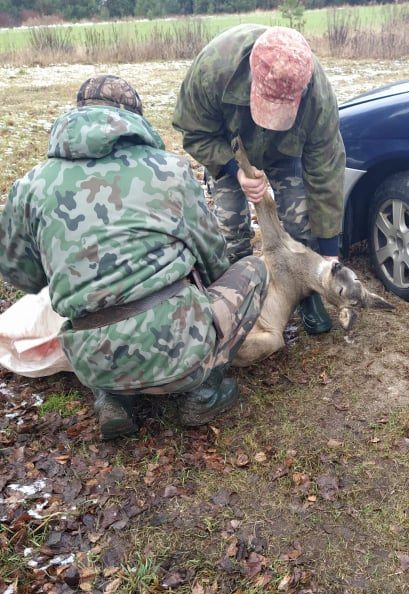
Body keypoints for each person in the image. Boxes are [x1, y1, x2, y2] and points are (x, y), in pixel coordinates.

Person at [0, 75, 268, 440]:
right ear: (135, 119)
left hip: (92, 361)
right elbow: (215, 260)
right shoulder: (169, 170)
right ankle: (202, 391)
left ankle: (112, 397)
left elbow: (23, 277)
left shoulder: (30, 186)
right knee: (254, 269)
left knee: (89, 312)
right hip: (178, 351)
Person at [172, 24, 346, 336]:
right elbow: (193, 131)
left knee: (300, 218)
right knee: (230, 228)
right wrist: (231, 168)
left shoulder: (318, 97)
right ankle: (238, 300)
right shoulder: (214, 68)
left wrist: (330, 253)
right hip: (229, 148)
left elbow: (326, 170)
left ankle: (304, 294)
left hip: (284, 152)